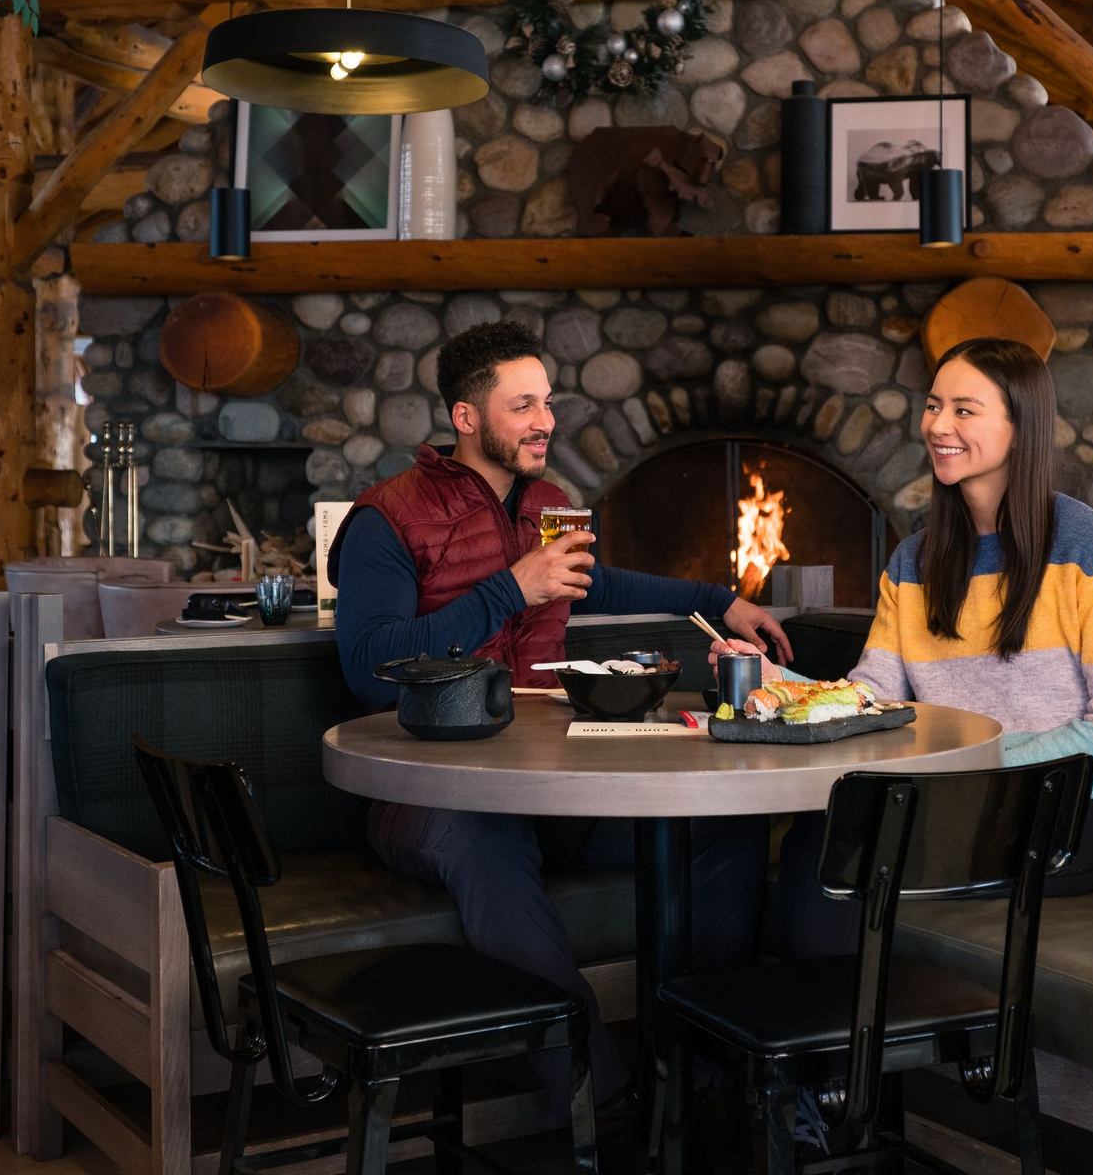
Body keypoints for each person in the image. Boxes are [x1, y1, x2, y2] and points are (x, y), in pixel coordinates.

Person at [329, 319, 792, 1115]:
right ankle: (600, 1106)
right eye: (523, 405)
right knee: (484, 835)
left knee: (725, 823)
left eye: (548, 401)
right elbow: (371, 668)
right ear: (467, 417)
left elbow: (596, 584)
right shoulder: (386, 519)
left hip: (553, 786)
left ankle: (706, 1077)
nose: (546, 420)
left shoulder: (549, 504)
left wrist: (721, 603)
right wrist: (514, 588)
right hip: (433, 795)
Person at [711, 336, 1093, 957]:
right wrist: (772, 682)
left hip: (1052, 820)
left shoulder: (1090, 547)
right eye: (933, 405)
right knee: (811, 840)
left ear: (1020, 427)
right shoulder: (914, 559)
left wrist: (961, 766)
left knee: (834, 852)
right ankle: (805, 1046)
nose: (938, 426)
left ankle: (826, 1047)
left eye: (964, 410)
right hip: (941, 801)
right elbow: (871, 699)